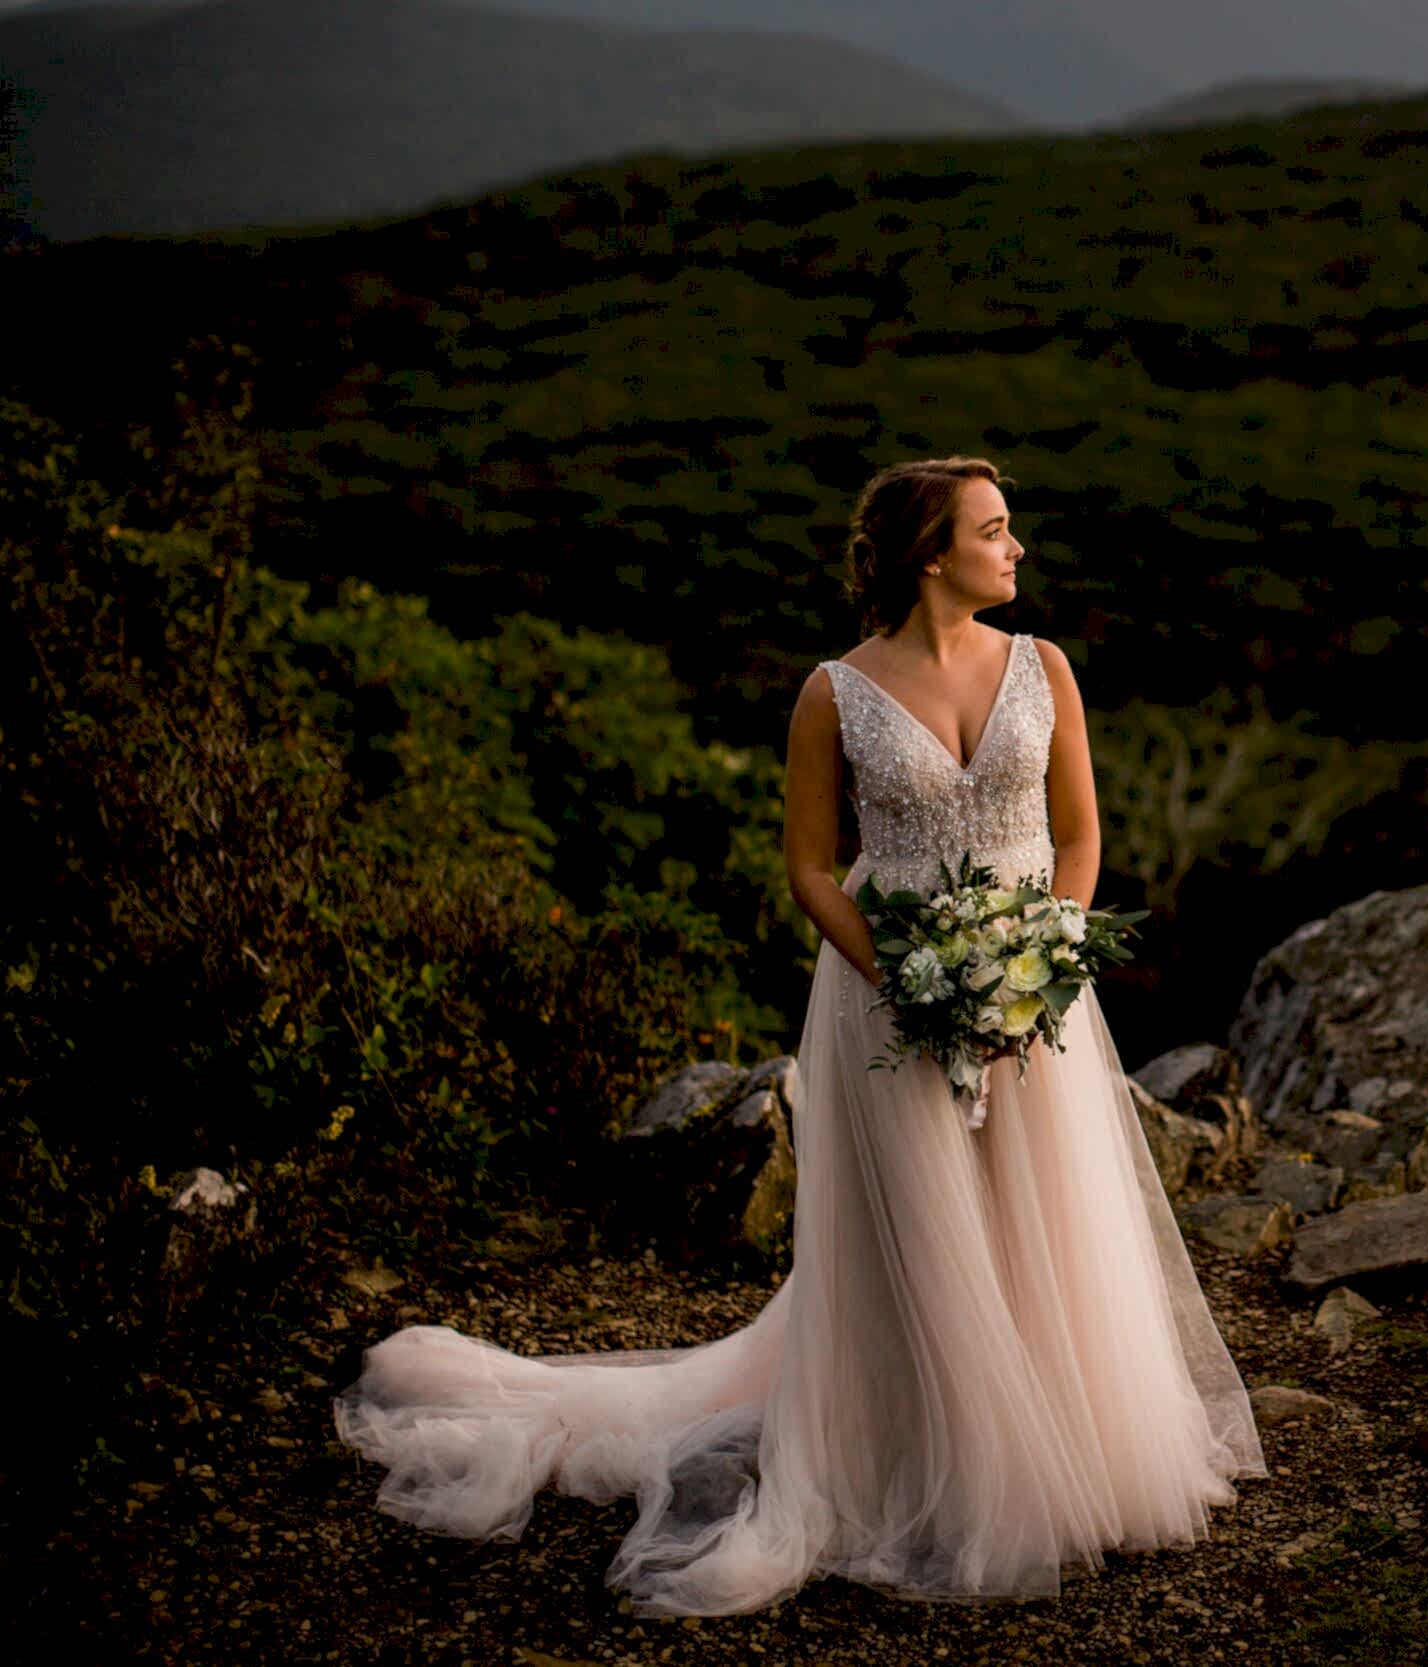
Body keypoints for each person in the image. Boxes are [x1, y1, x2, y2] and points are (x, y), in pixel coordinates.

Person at [331, 456, 1268, 1616]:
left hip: (1034, 990)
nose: (1016, 547)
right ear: (933, 552)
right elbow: (810, 868)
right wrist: (914, 983)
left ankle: (1072, 1441)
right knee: (926, 1231)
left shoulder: (1046, 668)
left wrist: (1037, 968)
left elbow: (1077, 840)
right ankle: (932, 1463)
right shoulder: (834, 691)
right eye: (995, 528)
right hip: (890, 996)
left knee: (1049, 1218)